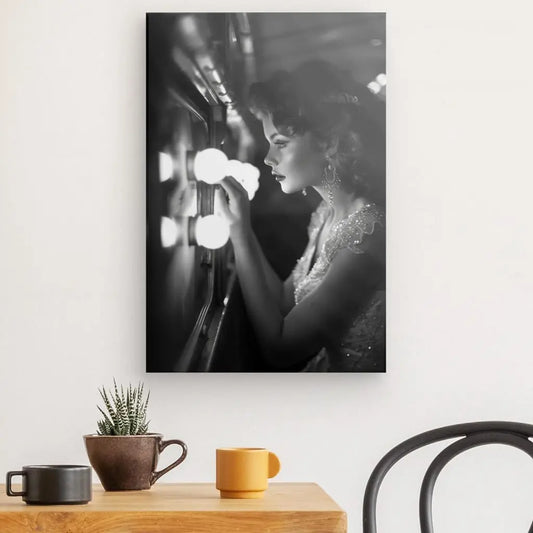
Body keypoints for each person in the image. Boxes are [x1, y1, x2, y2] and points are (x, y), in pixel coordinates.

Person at [215, 60, 385, 372]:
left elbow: (279, 349)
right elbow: (284, 301)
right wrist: (241, 227)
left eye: (280, 143)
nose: (268, 159)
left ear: (330, 142)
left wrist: (240, 235)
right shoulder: (325, 215)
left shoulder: (368, 236)